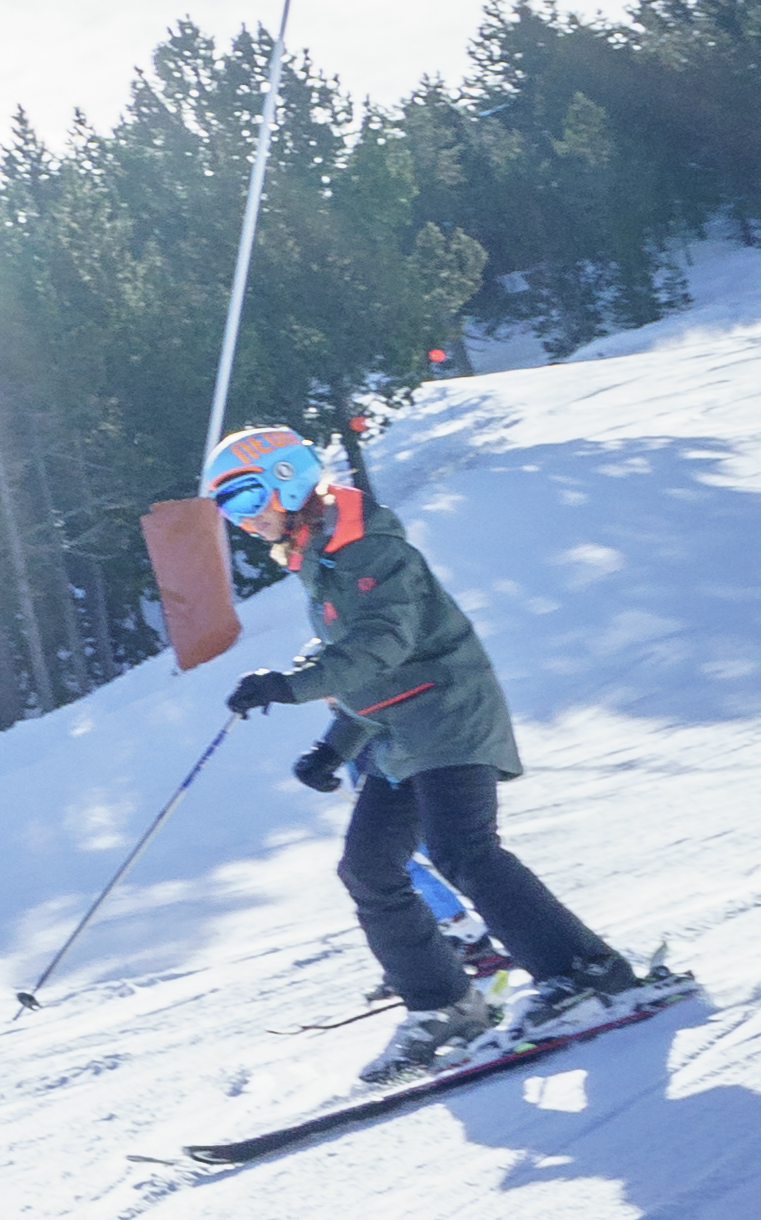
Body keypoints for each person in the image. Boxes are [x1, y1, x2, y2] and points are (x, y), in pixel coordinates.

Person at [210, 418, 661, 1078]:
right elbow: (369, 669)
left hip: (449, 713)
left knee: (462, 850)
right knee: (368, 868)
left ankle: (585, 971)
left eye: (247, 500)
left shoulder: (368, 550)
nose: (243, 522)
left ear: (289, 479)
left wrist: (289, 683)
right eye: (229, 511)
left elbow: (377, 649)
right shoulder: (325, 559)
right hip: (403, 733)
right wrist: (334, 746)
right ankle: (446, 1004)